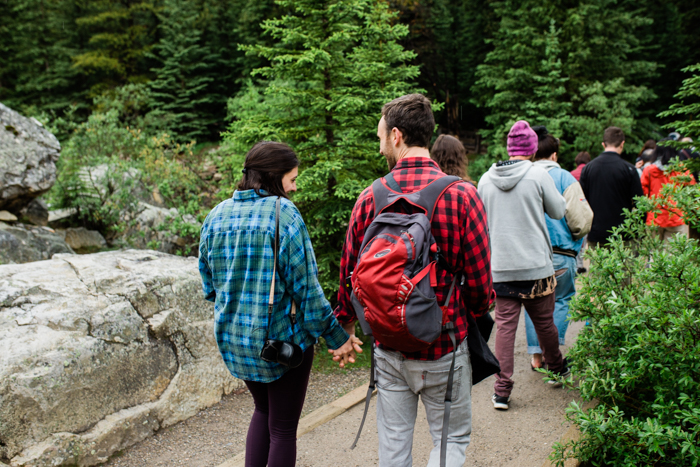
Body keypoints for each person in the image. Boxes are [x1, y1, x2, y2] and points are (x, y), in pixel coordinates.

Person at [334, 94, 493, 466]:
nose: (379, 148)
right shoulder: (462, 195)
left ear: (395, 136)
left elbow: (348, 274)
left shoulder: (370, 197)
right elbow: (482, 288)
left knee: (393, 446)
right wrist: (465, 310)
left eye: (379, 138)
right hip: (444, 344)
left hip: (389, 348)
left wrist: (346, 325)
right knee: (449, 440)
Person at [198, 141, 361, 467]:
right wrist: (338, 338)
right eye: (292, 179)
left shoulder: (217, 214)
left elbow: (209, 284)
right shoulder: (283, 214)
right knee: (283, 428)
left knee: (263, 410)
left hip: (236, 341)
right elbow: (308, 291)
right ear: (275, 177)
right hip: (280, 342)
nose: (295, 187)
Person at [477, 120, 569, 411]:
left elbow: (481, 223)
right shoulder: (538, 175)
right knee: (544, 323)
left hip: (501, 267)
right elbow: (558, 210)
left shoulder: (484, 179)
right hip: (536, 268)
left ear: (508, 148)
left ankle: (502, 392)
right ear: (531, 150)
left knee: (505, 328)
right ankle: (556, 368)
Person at [525, 133, 593, 370]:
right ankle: (552, 353)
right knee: (562, 299)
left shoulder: (525, 176)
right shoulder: (565, 177)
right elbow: (581, 220)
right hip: (561, 253)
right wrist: (575, 239)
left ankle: (536, 356)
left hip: (531, 253)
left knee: (532, 302)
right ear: (555, 154)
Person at [580, 127, 644, 247]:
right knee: (626, 266)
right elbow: (640, 203)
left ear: (603, 144)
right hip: (623, 234)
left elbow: (581, 201)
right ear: (622, 144)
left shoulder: (588, 169)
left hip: (596, 233)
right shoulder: (629, 169)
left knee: (599, 265)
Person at [640, 145, 696, 241]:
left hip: (654, 217)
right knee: (674, 253)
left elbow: (643, 193)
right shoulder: (682, 170)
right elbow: (692, 191)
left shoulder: (648, 170)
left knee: (653, 252)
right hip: (676, 216)